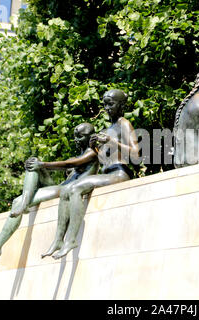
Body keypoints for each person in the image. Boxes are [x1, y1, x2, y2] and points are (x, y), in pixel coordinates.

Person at [0, 123, 99, 260]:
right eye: (75, 137)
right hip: (61, 186)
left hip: (66, 189)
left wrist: (43, 165)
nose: (76, 140)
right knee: (33, 164)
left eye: (80, 137)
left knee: (18, 199)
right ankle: (22, 207)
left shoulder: (92, 153)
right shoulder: (80, 154)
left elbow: (69, 165)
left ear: (90, 137)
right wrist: (39, 164)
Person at [43, 89, 140, 259]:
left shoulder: (124, 124)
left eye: (111, 104)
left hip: (119, 174)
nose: (107, 108)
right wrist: (96, 148)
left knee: (76, 188)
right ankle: (58, 239)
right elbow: (103, 159)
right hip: (107, 173)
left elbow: (136, 154)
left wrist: (111, 141)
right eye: (105, 104)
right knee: (66, 189)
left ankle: (71, 240)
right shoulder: (107, 128)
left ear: (122, 105)